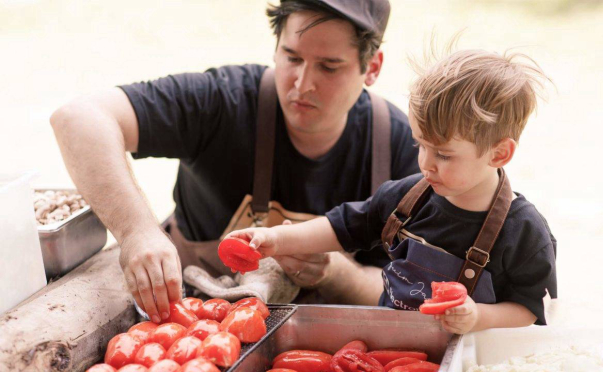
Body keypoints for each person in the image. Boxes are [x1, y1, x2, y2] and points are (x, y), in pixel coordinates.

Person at [49, 0, 419, 324]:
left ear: (371, 67)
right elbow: (78, 118)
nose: (302, 84)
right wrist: (136, 231)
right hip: (189, 329)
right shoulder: (223, 102)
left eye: (329, 67)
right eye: (292, 58)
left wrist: (337, 272)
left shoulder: (401, 147)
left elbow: (417, 293)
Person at [227, 48, 558, 334]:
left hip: (469, 355)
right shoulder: (408, 198)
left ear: (499, 153)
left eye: (443, 154)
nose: (425, 164)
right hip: (393, 344)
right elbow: (342, 227)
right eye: (420, 145)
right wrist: (276, 240)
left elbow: (529, 309)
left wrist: (478, 316)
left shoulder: (524, 232)